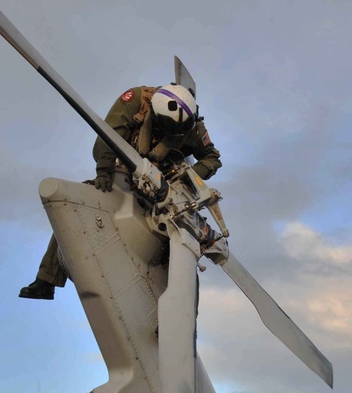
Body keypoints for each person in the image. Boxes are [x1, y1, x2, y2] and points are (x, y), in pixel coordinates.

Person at [19, 84, 222, 300]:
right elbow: (109, 135)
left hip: (164, 185)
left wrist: (185, 179)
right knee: (79, 201)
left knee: (176, 245)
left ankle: (174, 309)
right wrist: (103, 172)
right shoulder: (136, 100)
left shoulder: (193, 128)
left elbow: (212, 158)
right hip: (127, 169)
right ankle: (47, 279)